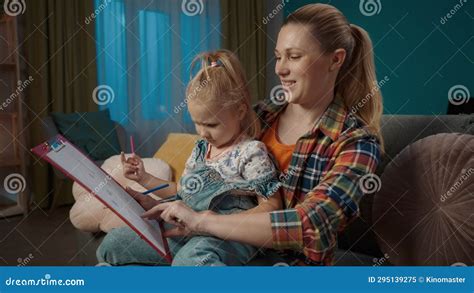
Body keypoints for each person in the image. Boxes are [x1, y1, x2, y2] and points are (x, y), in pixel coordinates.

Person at [97, 3, 383, 266]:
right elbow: (206, 184)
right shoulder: (258, 115)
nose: (280, 69)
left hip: (284, 260)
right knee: (114, 246)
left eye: (294, 57)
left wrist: (202, 222)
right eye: (278, 56)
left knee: (191, 263)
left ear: (335, 60)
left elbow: (310, 223)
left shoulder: (356, 141)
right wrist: (152, 196)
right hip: (205, 235)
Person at [98, 50, 282, 266]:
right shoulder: (201, 148)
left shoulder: (251, 152)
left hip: (230, 234)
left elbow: (271, 208)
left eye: (211, 124)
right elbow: (184, 191)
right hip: (187, 226)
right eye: (197, 122)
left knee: (190, 261)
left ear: (240, 111)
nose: (202, 132)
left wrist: (213, 222)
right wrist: (144, 178)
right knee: (114, 243)